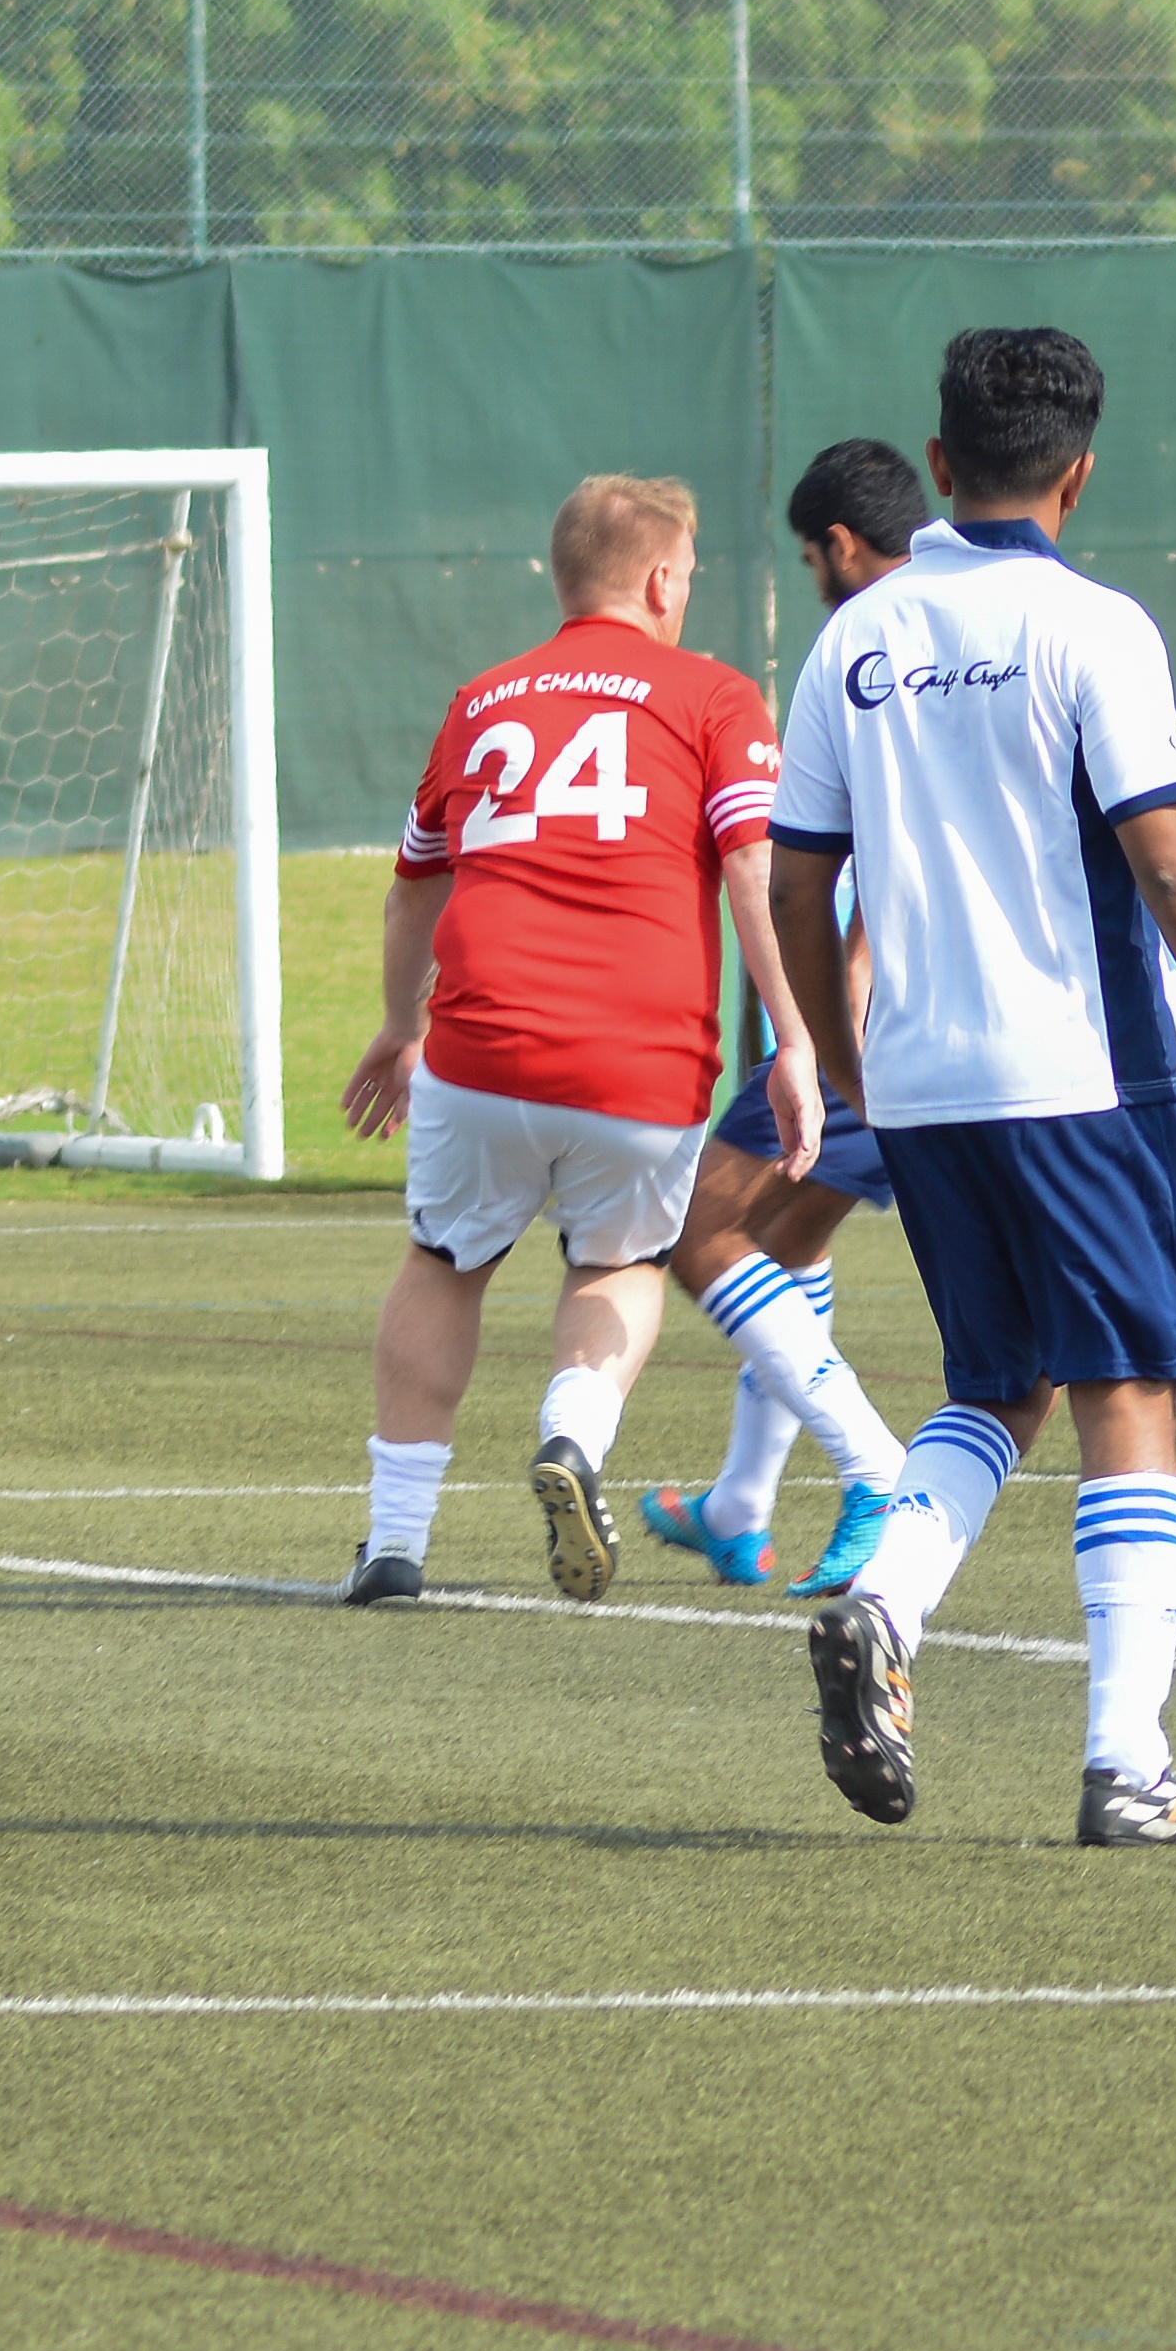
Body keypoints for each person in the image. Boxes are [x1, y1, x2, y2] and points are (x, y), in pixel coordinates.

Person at [767, 324, 1176, 1848]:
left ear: (938, 464)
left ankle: (886, 1603)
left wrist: (844, 1060)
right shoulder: (1094, 627)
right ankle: (1126, 1767)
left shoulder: (853, 642)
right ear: (1080, 473)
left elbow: (798, 881)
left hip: (926, 1089)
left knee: (996, 1387)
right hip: (1080, 1078)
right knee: (1126, 1390)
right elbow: (1173, 860)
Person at [340, 474, 848, 1609]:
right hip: (640, 1059)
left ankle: (394, 1543)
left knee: (444, 1265)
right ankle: (573, 1433)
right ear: (662, 580)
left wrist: (401, 1026)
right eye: (689, 577)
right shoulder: (714, 695)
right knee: (617, 1266)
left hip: (480, 1048)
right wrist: (796, 1042)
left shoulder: (483, 700)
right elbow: (754, 870)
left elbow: (414, 885)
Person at [636, 438, 931, 1597]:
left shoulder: (870, 647)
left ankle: (877, 1472)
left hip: (884, 1019)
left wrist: (842, 988)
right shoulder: (990, 621)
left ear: (841, 546)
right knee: (785, 1242)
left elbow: (886, 840)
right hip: (977, 1020)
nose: (816, 580)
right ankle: (738, 1507)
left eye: (811, 559)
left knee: (696, 1229)